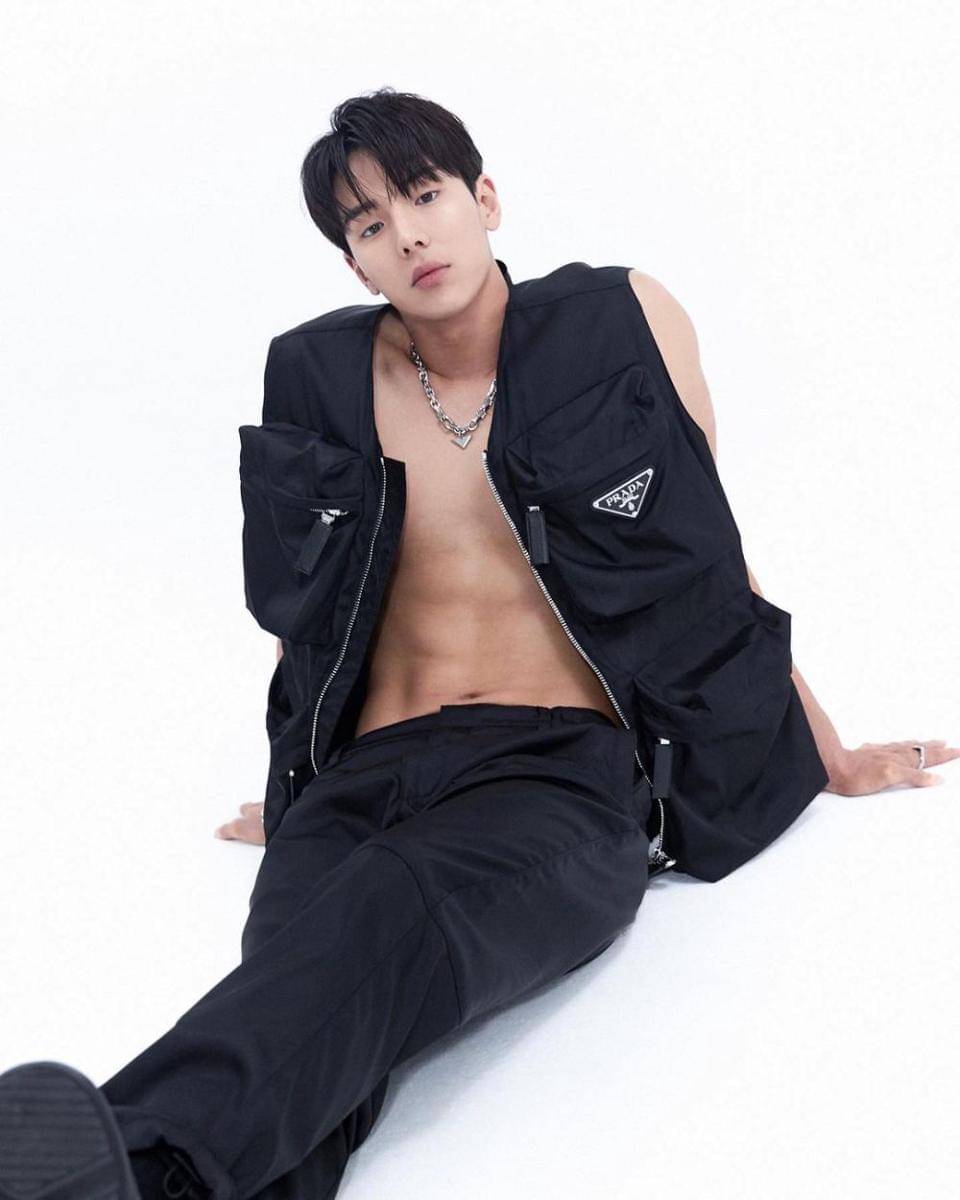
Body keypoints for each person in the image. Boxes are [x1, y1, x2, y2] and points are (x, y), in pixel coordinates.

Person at [2, 86, 955, 1200]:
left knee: (373, 924)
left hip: (556, 777)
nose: (407, 234)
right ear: (355, 264)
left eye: (423, 195)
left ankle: (117, 1152)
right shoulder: (314, 377)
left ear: (484, 199)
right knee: (318, 1034)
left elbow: (708, 556)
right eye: (370, 223)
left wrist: (825, 752)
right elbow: (314, 605)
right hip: (361, 778)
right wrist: (296, 777)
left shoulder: (621, 320)